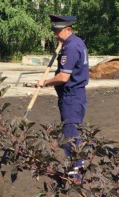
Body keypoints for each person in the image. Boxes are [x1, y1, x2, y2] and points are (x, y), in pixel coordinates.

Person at [38, 14, 89, 176]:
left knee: (70, 135)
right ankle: (76, 169)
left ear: (68, 29)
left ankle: (76, 173)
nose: (54, 34)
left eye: (57, 31)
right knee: (72, 133)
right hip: (75, 95)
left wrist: (45, 82)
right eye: (53, 30)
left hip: (71, 97)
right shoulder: (75, 42)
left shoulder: (71, 47)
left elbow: (63, 77)